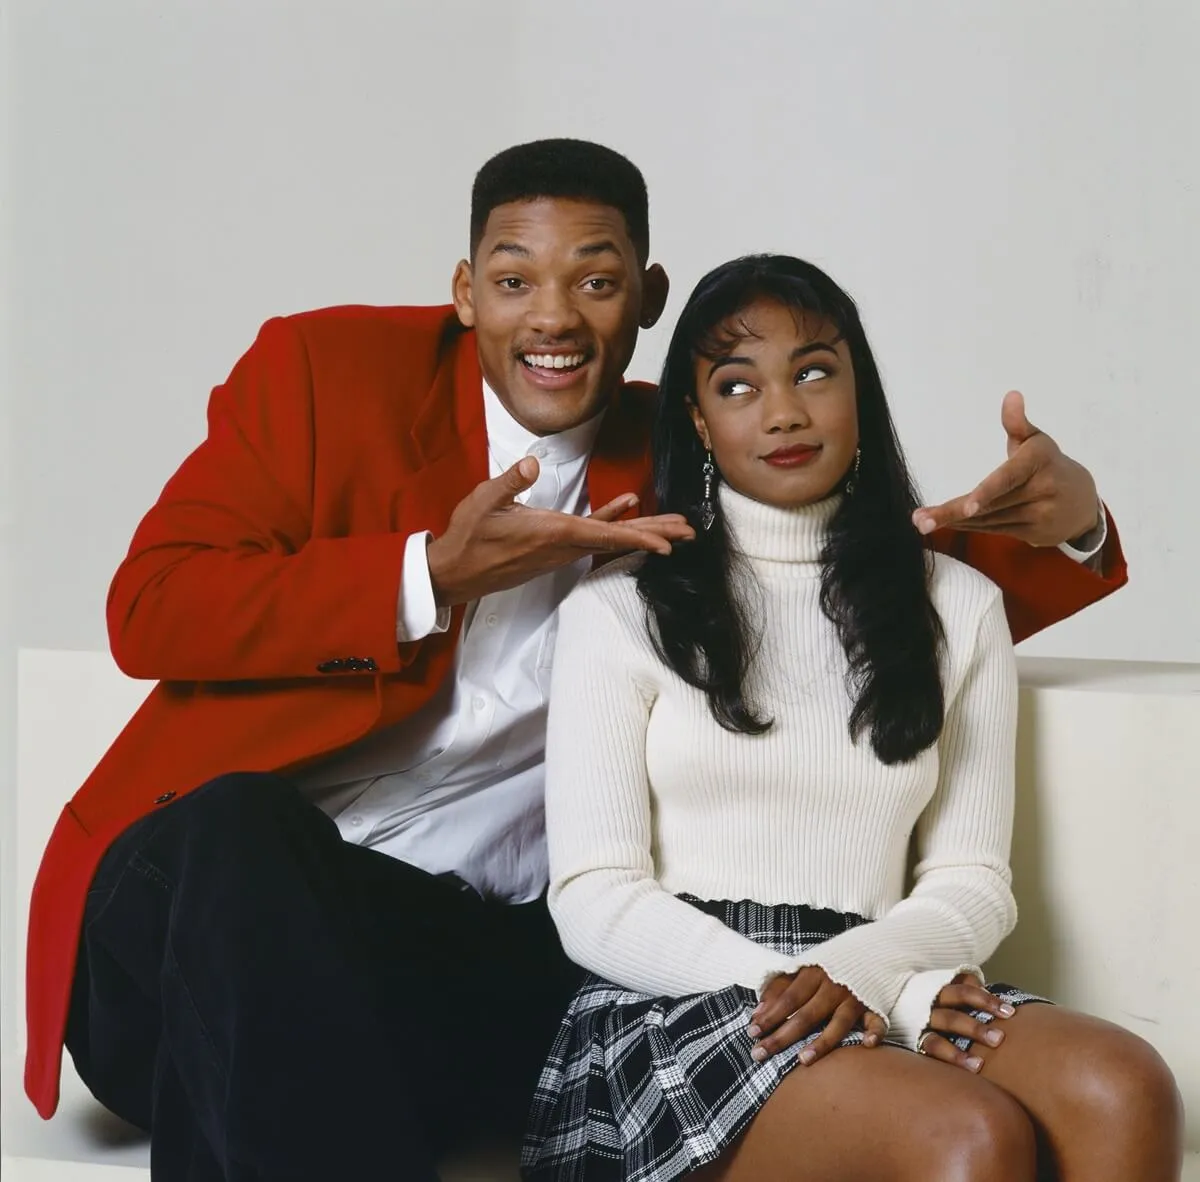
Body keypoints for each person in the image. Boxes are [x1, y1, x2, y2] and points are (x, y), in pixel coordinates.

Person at [24, 140, 1126, 1181]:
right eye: (515, 281)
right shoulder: (324, 374)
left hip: (449, 966)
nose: (552, 317)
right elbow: (152, 607)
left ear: (646, 298)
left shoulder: (688, 447)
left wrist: (1074, 523)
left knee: (566, 994)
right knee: (241, 831)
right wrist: (426, 575)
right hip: (198, 932)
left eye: (595, 282)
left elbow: (877, 582)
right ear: (466, 292)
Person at [521, 253, 1181, 1182]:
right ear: (699, 422)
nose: (783, 412)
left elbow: (971, 880)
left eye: (814, 373)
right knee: (966, 1136)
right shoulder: (618, 611)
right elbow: (594, 897)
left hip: (889, 966)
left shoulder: (958, 604)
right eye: (738, 385)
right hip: (683, 994)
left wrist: (871, 978)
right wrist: (799, 985)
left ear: (858, 390)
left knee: (1125, 1088)